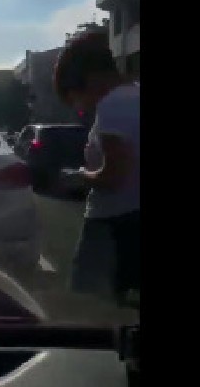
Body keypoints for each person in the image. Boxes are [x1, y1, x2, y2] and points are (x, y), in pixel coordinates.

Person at [53, 32, 140, 307]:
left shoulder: (112, 104)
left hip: (111, 226)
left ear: (87, 81)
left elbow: (113, 176)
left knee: (86, 309)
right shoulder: (134, 95)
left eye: (74, 99)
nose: (80, 109)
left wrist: (79, 176)